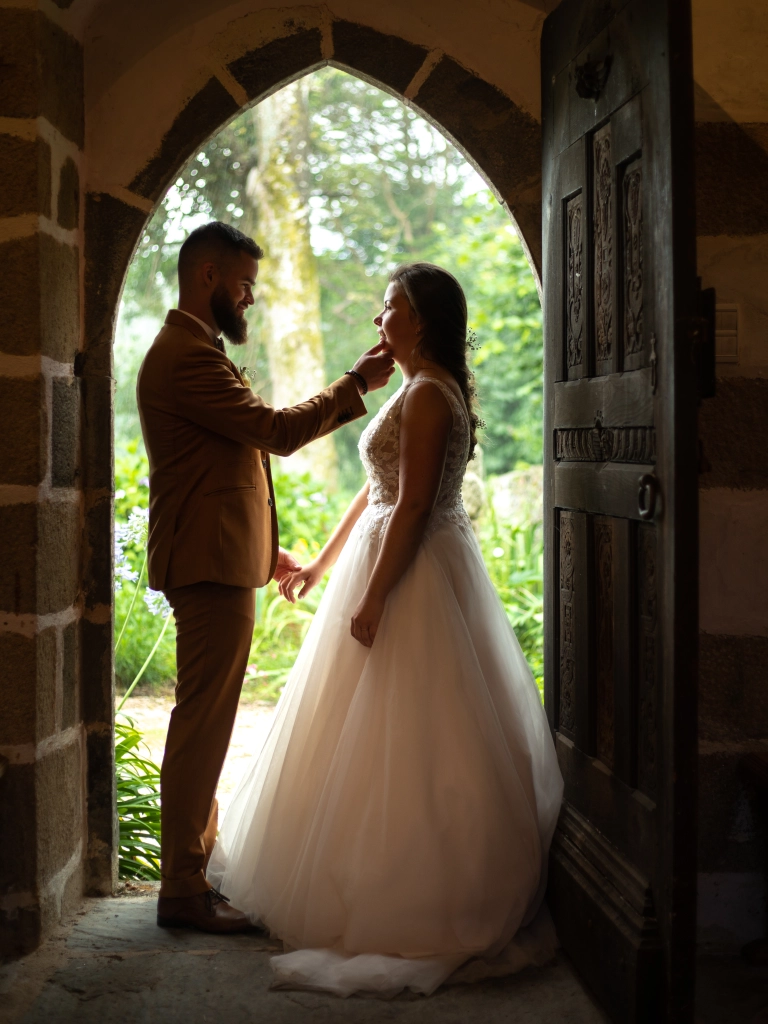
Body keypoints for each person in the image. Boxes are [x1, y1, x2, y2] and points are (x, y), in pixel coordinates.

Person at [207, 261, 564, 996]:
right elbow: (377, 492)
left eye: (389, 305)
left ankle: (415, 893)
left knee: (415, 733)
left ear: (422, 318)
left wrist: (372, 597)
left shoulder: (432, 396)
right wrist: (320, 566)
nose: (379, 318)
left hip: (415, 577)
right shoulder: (411, 390)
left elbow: (411, 508)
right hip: (383, 562)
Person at [136, 221, 395, 933]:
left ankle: (193, 877)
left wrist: (264, 546)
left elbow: (226, 462)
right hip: (207, 569)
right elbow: (273, 433)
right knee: (201, 727)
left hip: (221, 559)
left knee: (207, 725)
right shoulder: (185, 357)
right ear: (210, 276)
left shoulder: (197, 352)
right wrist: (353, 384)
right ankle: (184, 891)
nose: (250, 300)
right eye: (245, 285)